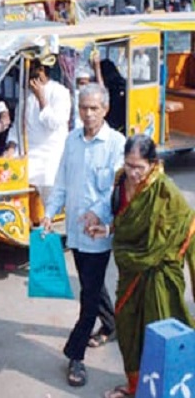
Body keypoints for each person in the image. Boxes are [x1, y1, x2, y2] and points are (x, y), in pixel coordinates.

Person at [87, 135, 195, 398]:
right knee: (127, 326)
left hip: (160, 274)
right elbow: (122, 220)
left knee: (160, 332)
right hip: (129, 269)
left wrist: (162, 256)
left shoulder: (164, 191)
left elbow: (187, 227)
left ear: (153, 164)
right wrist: (107, 229)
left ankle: (165, 389)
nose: (133, 173)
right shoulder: (120, 182)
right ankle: (135, 386)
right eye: (129, 165)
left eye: (139, 167)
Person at [42, 84, 125, 388]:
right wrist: (50, 213)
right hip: (75, 233)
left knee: (88, 297)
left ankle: (75, 355)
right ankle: (112, 323)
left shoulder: (117, 143)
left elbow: (117, 190)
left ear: (105, 110)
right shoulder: (72, 141)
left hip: (98, 234)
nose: (88, 114)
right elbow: (61, 182)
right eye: (83, 108)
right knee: (92, 283)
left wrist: (99, 213)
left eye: (94, 108)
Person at [4, 56, 72, 217]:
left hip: (51, 155)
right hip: (28, 152)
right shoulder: (25, 96)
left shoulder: (60, 92)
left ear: (41, 70)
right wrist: (11, 147)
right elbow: (17, 127)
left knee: (50, 195)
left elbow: (54, 123)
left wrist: (42, 98)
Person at [72, 50, 105, 130]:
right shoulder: (74, 95)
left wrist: (97, 68)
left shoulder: (93, 95)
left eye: (86, 83)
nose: (84, 87)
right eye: (81, 83)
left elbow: (102, 92)